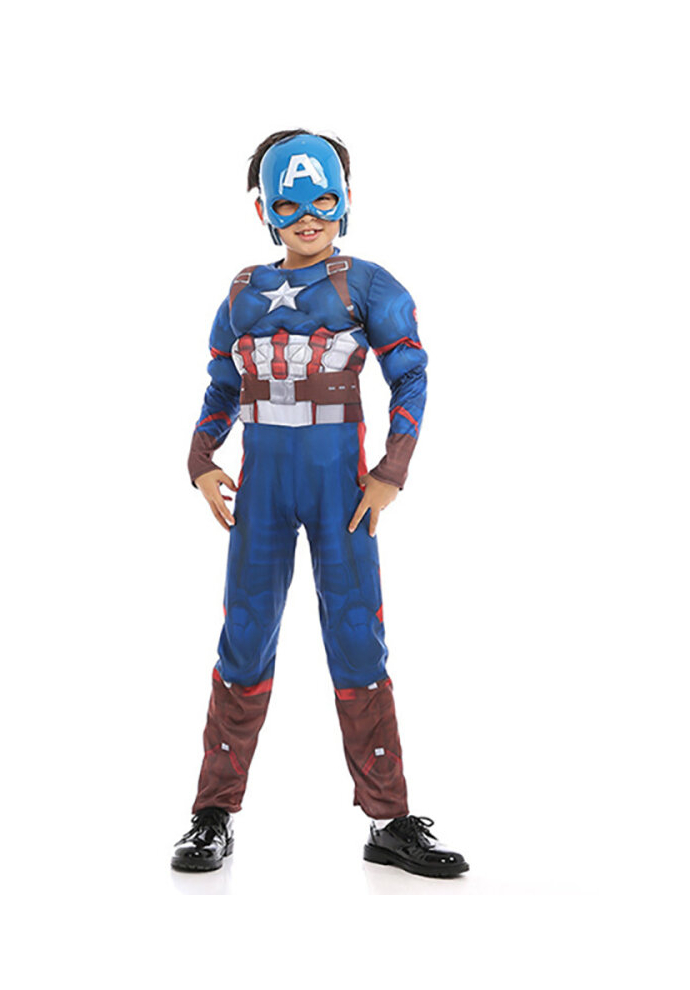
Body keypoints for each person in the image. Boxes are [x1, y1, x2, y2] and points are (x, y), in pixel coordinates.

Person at [171, 130, 469, 879]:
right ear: (265, 211)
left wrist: (392, 469)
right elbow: (222, 386)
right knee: (243, 640)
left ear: (345, 202)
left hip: (343, 490)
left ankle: (390, 820)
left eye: (324, 201)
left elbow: (412, 375)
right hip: (263, 488)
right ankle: (213, 813)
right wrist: (201, 459)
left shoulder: (368, 285)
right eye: (290, 205)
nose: (308, 217)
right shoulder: (242, 292)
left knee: (358, 641)